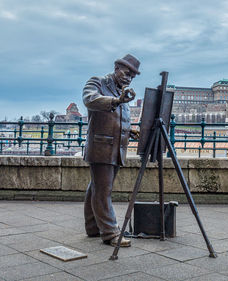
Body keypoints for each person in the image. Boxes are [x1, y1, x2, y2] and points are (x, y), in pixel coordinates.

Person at [82, 54, 141, 247]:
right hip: (101, 146)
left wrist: (129, 131)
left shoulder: (121, 91)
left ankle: (92, 227)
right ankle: (110, 233)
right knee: (103, 190)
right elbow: (91, 100)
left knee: (97, 187)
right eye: (126, 73)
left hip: (116, 148)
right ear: (116, 68)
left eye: (132, 76)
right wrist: (116, 101)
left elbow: (116, 120)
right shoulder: (98, 82)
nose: (128, 78)